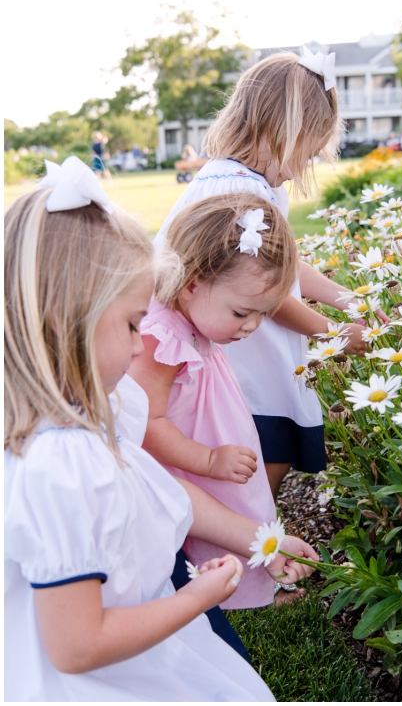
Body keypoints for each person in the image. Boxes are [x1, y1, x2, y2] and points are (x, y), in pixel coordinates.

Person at [3, 156, 318, 700]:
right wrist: (195, 599)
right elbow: (76, 646)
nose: (139, 342)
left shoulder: (105, 407)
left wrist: (264, 542)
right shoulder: (59, 465)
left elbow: (169, 491)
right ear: (63, 319)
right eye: (130, 324)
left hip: (153, 632)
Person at [152, 50, 385, 501]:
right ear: (279, 131)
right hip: (236, 350)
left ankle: (258, 537)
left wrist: (350, 299)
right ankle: (253, 540)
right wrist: (332, 334)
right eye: (306, 152)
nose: (302, 168)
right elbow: (266, 294)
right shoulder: (235, 189)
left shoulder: (253, 183)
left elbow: (281, 266)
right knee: (258, 449)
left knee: (270, 446)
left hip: (250, 340)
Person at [129, 192, 300, 609]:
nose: (253, 326)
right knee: (205, 526)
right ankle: (210, 592)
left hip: (203, 443)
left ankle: (250, 578)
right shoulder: (162, 337)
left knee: (236, 507)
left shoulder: (194, 317)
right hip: (186, 459)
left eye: (263, 312)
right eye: (242, 313)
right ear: (191, 284)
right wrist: (208, 460)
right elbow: (146, 423)